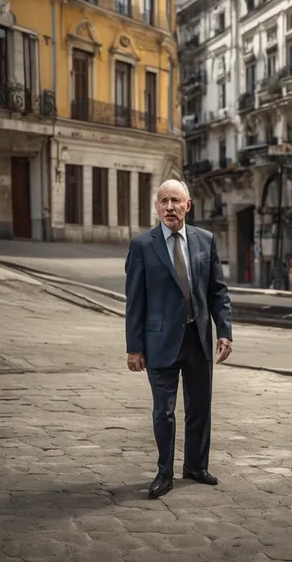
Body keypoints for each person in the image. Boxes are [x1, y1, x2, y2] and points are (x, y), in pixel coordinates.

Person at [125, 179, 233, 499]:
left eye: (176, 200)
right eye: (163, 201)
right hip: (160, 342)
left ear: (188, 205)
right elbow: (135, 301)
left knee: (200, 407)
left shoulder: (205, 240)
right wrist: (134, 348)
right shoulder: (142, 246)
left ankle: (196, 467)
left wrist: (224, 330)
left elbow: (217, 291)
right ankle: (164, 472)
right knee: (165, 412)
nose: (169, 206)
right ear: (156, 207)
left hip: (198, 337)